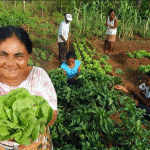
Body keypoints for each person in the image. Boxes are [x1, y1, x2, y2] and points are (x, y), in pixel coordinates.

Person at [0, 26, 58, 150]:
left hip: (35, 142)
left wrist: (27, 139)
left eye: (19, 56)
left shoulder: (38, 76)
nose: (10, 63)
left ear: (28, 56)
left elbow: (51, 114)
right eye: (3, 55)